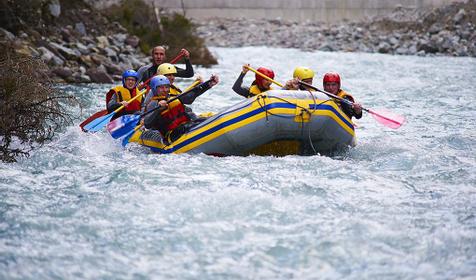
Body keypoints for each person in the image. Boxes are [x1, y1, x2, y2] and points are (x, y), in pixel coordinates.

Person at [143, 74, 219, 142]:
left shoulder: (173, 97)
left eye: (166, 87)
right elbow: (147, 124)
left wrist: (208, 85)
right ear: (154, 88)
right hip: (171, 134)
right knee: (185, 126)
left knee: (202, 120)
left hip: (186, 125)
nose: (165, 90)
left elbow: (191, 96)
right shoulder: (153, 103)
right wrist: (158, 110)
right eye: (161, 88)